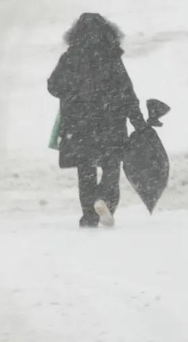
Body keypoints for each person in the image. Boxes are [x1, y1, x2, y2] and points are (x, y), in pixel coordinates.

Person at [47, 13, 146, 228]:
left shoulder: (70, 58)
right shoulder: (111, 57)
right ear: (107, 32)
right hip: (111, 122)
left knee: (86, 171)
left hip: (79, 124)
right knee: (111, 167)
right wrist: (138, 121)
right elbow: (126, 92)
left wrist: (73, 92)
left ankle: (89, 216)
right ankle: (104, 199)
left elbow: (53, 86)